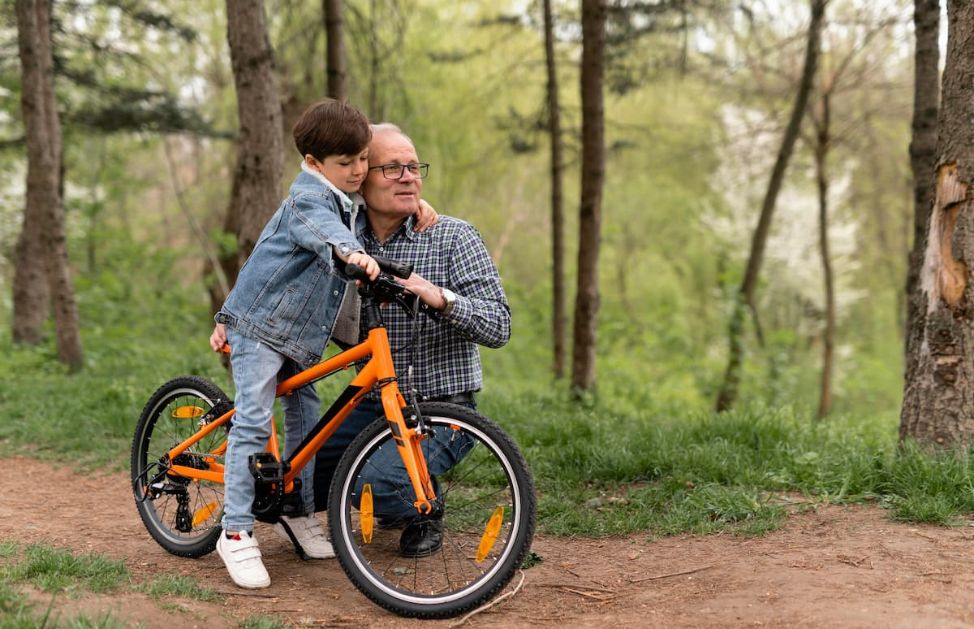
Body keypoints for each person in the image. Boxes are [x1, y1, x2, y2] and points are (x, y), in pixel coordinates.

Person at [207, 100, 402, 590]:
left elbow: (268, 256)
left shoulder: (343, 195)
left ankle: (297, 512)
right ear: (315, 164)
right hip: (261, 329)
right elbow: (325, 233)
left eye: (363, 158)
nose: (359, 170)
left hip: (297, 333)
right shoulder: (308, 200)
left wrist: (417, 204)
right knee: (253, 421)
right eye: (346, 163)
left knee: (307, 422)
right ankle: (234, 532)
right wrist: (352, 253)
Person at [311, 123, 511, 557]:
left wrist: (439, 297)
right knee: (299, 482)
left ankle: (423, 504)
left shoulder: (453, 237)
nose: (409, 177)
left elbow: (500, 326)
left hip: (441, 409)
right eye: (393, 168)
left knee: (370, 485)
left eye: (414, 167)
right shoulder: (343, 234)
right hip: (370, 404)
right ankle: (395, 484)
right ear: (361, 176)